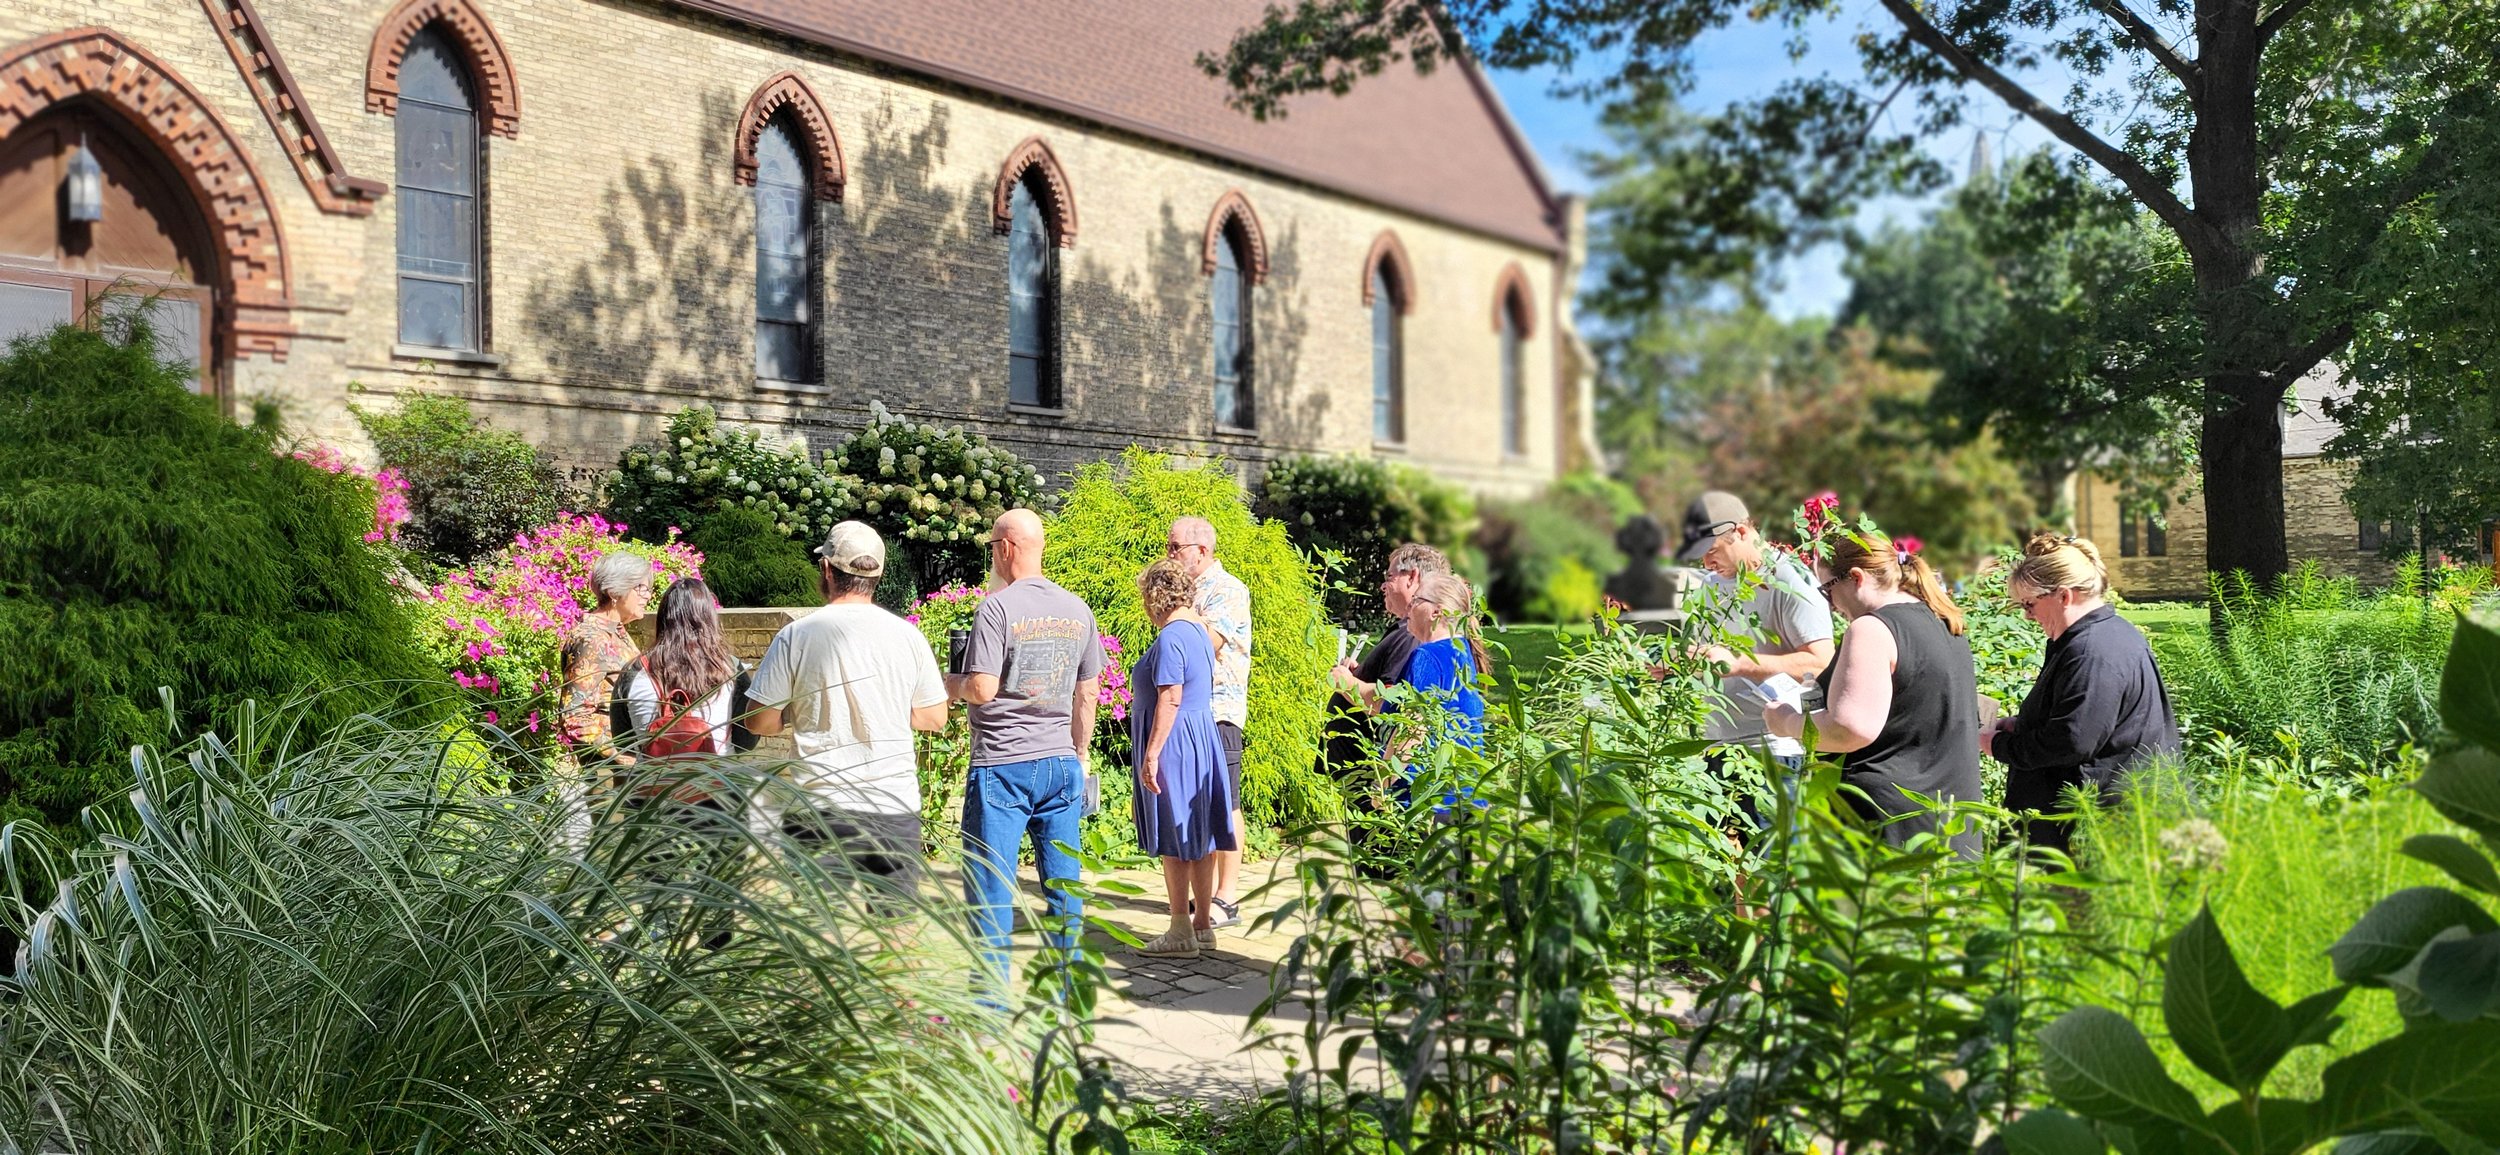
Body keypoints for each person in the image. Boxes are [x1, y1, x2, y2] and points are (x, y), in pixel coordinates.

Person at [745, 522, 949, 895]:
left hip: (820, 805)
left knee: (819, 934)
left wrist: (797, 712)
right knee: (897, 934)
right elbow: (934, 718)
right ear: (879, 575)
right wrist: (884, 705)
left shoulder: (796, 635)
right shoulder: (908, 637)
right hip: (893, 803)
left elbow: (758, 721)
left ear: (826, 570)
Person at [947, 508, 1103, 986]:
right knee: (1063, 889)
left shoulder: (997, 607)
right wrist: (1079, 754)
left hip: (1003, 763)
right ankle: (1064, 999)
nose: (992, 556)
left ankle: (989, 1007)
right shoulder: (1078, 609)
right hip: (1060, 763)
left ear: (1007, 548)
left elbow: (982, 689)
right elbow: (1090, 691)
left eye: (992, 547)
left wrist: (946, 682)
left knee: (992, 888)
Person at [1765, 532, 1984, 857]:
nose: (1830, 604)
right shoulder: (1942, 620)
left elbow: (1849, 729)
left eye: (1827, 590)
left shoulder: (1871, 629)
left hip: (1886, 832)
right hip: (1949, 823)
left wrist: (1785, 722)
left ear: (1855, 578)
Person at [1980, 534, 2180, 854]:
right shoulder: (2094, 637)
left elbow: (2073, 740)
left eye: (2030, 604)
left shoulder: (2093, 650)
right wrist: (2022, 724)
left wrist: (2000, 746)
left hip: (2097, 828)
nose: (2027, 615)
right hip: (2098, 820)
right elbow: (2084, 718)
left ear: (2063, 596)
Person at [1668, 491, 1836, 778]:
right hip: (1716, 746)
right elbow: (1716, 658)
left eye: (1712, 551)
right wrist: (1681, 665)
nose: (1706, 564)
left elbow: (1821, 663)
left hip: (1773, 751)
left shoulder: (1790, 580)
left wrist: (1740, 662)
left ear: (1742, 532)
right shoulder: (1712, 585)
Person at [1126, 559, 1240, 958]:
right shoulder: (1198, 631)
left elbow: (1170, 697)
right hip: (1199, 736)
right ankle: (1202, 924)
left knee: (1175, 836)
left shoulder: (1173, 635)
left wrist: (1152, 753)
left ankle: (1179, 931)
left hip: (1175, 741)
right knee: (1200, 834)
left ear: (1155, 596)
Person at [1166, 516, 1252, 929]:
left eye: (1175, 547)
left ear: (1201, 550)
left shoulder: (1228, 589)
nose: (1169, 555)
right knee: (1197, 802)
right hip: (1189, 712)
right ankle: (1199, 897)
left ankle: (1227, 896)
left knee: (1226, 800)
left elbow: (1207, 643)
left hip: (1218, 711)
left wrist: (1174, 617)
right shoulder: (1188, 592)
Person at [1340, 572, 1487, 801]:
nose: (1409, 607)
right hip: (1463, 793)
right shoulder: (1460, 651)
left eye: (1417, 600)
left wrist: (1383, 788)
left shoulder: (1428, 655)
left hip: (1429, 801)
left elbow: (1412, 728)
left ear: (1436, 612)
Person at [612, 578, 747, 778]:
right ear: (709, 618)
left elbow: (623, 742)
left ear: (663, 619)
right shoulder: (731, 669)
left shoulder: (633, 672)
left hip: (651, 795)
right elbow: (746, 741)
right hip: (718, 795)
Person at [560, 551, 655, 760]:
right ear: (614, 592)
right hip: (608, 775)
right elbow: (574, 717)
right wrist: (624, 757)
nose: (647, 595)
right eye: (641, 588)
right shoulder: (591, 639)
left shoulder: (615, 632)